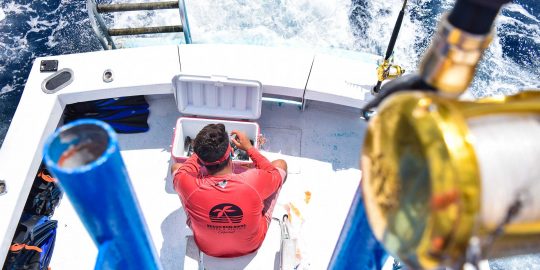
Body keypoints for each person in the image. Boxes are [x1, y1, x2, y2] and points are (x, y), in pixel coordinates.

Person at [171, 123, 287, 258]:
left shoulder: (185, 183)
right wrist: (250, 148)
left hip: (207, 247)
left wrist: (204, 152)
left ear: (200, 158)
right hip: (251, 246)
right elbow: (275, 175)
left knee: (176, 168)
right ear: (231, 152)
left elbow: (179, 170)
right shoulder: (253, 181)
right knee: (280, 165)